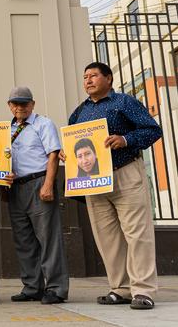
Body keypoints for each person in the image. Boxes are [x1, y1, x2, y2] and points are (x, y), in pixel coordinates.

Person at [64, 62, 162, 310]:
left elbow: (152, 130)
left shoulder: (124, 102)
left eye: (94, 75)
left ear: (108, 78)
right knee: (108, 238)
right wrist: (67, 154)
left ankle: (143, 290)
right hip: (94, 180)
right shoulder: (79, 112)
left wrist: (125, 139)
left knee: (137, 235)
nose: (88, 80)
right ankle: (120, 288)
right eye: (85, 76)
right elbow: (74, 141)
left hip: (125, 172)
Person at [5, 86, 68, 304]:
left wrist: (49, 184)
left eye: (24, 103)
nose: (19, 107)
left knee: (48, 238)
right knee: (24, 240)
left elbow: (53, 155)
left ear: (32, 104)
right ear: (9, 106)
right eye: (15, 103)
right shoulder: (6, 130)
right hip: (16, 188)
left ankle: (56, 288)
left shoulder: (44, 124)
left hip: (40, 182)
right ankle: (32, 287)